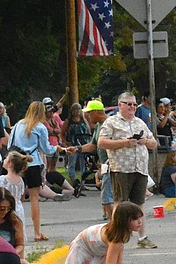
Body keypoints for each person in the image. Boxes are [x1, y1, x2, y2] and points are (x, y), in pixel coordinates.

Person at [98, 92, 157, 248]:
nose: (132, 107)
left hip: (140, 168)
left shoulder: (140, 123)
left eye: (134, 104)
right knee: (120, 202)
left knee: (139, 203)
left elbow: (154, 143)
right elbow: (102, 142)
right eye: (129, 104)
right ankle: (115, 236)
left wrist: (145, 141)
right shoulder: (111, 122)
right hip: (121, 168)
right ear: (120, 105)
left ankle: (142, 237)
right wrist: (124, 142)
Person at [11, 101, 75, 241]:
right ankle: (37, 232)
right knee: (34, 198)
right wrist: (58, 148)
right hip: (33, 163)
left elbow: (10, 144)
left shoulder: (18, 125)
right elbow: (46, 149)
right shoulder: (40, 127)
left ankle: (16, 231)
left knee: (17, 198)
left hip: (17, 163)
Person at [77, 99, 115, 221]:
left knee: (107, 195)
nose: (87, 115)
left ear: (97, 112)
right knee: (108, 195)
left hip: (113, 163)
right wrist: (76, 149)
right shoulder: (98, 126)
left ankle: (115, 224)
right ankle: (113, 223)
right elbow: (93, 145)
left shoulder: (110, 123)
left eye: (89, 112)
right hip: (104, 165)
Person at [0, 152, 31, 243]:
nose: (4, 160)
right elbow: (22, 195)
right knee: (18, 228)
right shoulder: (20, 180)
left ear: (10, 164)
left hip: (7, 208)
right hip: (18, 207)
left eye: (6, 159)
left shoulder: (3, 178)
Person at [61, 103, 91, 196]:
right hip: (73, 145)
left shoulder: (83, 120)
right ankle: (73, 182)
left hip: (83, 146)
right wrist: (65, 142)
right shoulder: (68, 121)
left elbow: (89, 131)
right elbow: (62, 133)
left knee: (84, 164)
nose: (77, 112)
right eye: (75, 110)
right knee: (72, 164)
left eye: (78, 110)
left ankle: (82, 183)